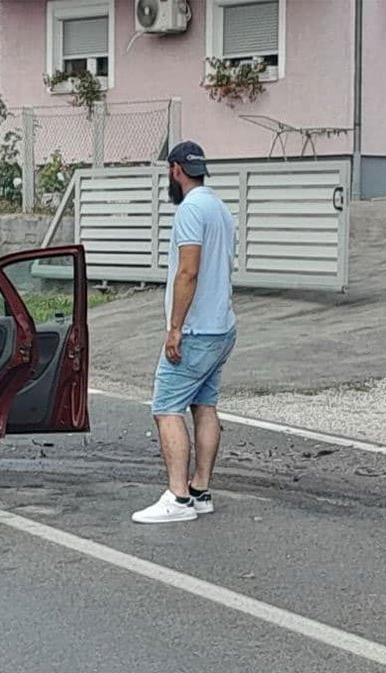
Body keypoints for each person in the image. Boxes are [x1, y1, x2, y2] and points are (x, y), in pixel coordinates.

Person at [132, 141, 237, 525]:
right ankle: (200, 491)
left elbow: (188, 271)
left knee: (166, 408)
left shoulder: (190, 210)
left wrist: (175, 328)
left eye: (169, 172)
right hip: (222, 327)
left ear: (175, 170)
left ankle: (178, 498)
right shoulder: (221, 209)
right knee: (204, 405)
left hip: (196, 331)